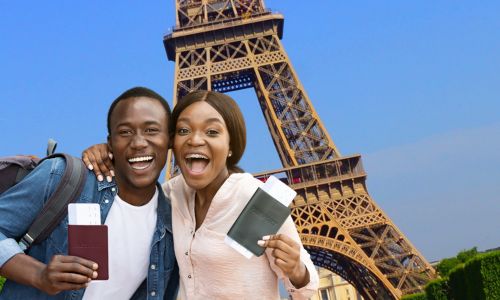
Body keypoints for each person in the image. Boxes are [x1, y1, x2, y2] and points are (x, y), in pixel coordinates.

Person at [83, 90, 319, 299]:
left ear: (231, 146)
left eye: (212, 131)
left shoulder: (257, 199)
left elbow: (306, 290)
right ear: (171, 143)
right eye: (184, 130)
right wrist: (108, 152)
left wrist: (296, 270)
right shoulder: (170, 194)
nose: (195, 139)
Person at [0, 87, 179, 299]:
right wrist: (39, 274)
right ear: (110, 142)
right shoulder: (60, 176)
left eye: (151, 130)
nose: (138, 142)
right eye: (125, 132)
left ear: (169, 140)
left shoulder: (173, 224)